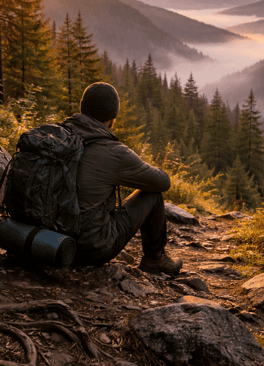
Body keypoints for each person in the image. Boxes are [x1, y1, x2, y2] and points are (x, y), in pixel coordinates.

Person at [63, 82, 182, 275]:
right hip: (89, 249)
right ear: (113, 115)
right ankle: (155, 259)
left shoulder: (59, 136)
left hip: (45, 238)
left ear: (82, 108)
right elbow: (162, 182)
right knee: (152, 196)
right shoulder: (114, 152)